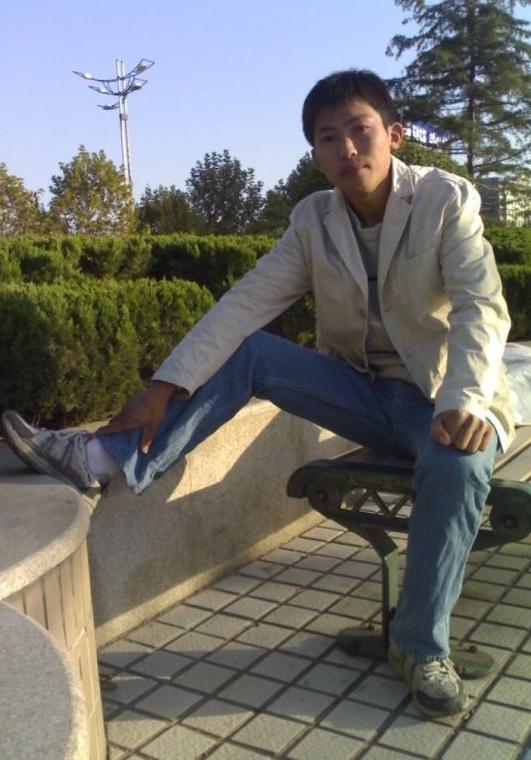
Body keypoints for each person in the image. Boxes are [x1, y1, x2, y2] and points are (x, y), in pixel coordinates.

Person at [2, 69, 514, 720]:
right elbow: (244, 303)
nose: (347, 149)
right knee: (252, 351)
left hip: (442, 398)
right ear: (315, 154)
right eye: (328, 137)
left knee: (458, 465)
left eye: (360, 131)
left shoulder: (445, 199)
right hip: (361, 391)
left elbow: (480, 307)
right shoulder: (313, 220)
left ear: (393, 134)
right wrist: (162, 385)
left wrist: (465, 401)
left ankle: (418, 647)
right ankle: (100, 460)